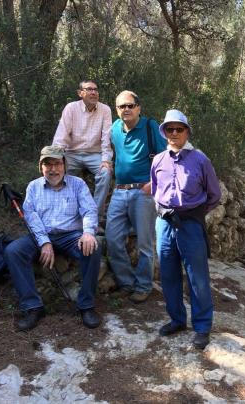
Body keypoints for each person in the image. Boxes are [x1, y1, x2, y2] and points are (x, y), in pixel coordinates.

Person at [4, 146, 102, 331]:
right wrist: (45, 242)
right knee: (13, 251)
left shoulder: (78, 184)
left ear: (64, 165)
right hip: (41, 234)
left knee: (93, 248)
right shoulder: (33, 187)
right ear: (41, 167)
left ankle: (86, 306)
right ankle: (33, 307)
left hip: (71, 235)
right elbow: (31, 217)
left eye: (57, 163)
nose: (53, 169)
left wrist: (88, 232)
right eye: (48, 164)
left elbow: (89, 209)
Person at [150, 109, 221, 350]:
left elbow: (214, 195)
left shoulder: (200, 160)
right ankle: (177, 320)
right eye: (169, 129)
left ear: (187, 131)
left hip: (190, 224)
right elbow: (155, 191)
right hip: (164, 223)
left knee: (197, 277)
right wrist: (163, 212)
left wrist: (194, 214)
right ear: (164, 132)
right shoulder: (158, 160)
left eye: (179, 129)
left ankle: (202, 327)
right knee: (168, 273)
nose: (174, 133)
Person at [106, 90, 167, 303]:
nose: (126, 110)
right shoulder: (114, 128)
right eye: (122, 106)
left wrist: (155, 183)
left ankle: (143, 286)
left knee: (145, 244)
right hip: (119, 191)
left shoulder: (151, 127)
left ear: (139, 107)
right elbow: (106, 149)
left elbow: (166, 158)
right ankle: (127, 283)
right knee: (112, 239)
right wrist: (105, 161)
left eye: (130, 105)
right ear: (117, 110)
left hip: (144, 192)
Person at [52, 80, 113, 222]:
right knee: (59, 174)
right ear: (80, 93)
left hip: (95, 154)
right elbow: (62, 134)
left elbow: (106, 137)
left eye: (96, 89)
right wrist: (56, 157)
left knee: (105, 173)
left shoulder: (105, 110)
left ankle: (95, 216)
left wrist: (106, 160)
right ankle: (63, 213)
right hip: (72, 153)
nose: (93, 92)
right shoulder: (71, 108)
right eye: (89, 89)